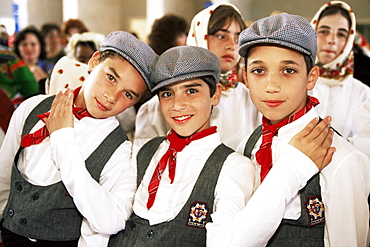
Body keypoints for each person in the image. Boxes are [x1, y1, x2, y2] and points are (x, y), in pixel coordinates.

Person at [209, 13, 369, 246]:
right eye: (259, 71)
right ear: (245, 77)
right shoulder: (248, 145)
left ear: (311, 78)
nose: (271, 86)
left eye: (289, 70)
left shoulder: (340, 159)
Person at [0, 31, 158, 246]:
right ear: (93, 62)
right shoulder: (31, 108)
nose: (111, 97)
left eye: (128, 94)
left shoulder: (120, 151)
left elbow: (111, 221)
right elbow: (4, 178)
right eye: (110, 78)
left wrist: (63, 140)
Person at [109, 45, 256, 246]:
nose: (178, 105)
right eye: (167, 94)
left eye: (191, 91)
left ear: (215, 94)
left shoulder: (235, 167)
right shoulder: (141, 151)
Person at [134, 2, 261, 150]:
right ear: (200, 36)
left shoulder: (250, 99)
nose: (231, 45)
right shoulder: (160, 106)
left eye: (237, 38)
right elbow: (145, 162)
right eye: (221, 36)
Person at [309, 1, 370, 140]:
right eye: (324, 31)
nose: (332, 40)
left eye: (341, 34)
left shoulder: (364, 94)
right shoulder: (293, 83)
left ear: (349, 40)